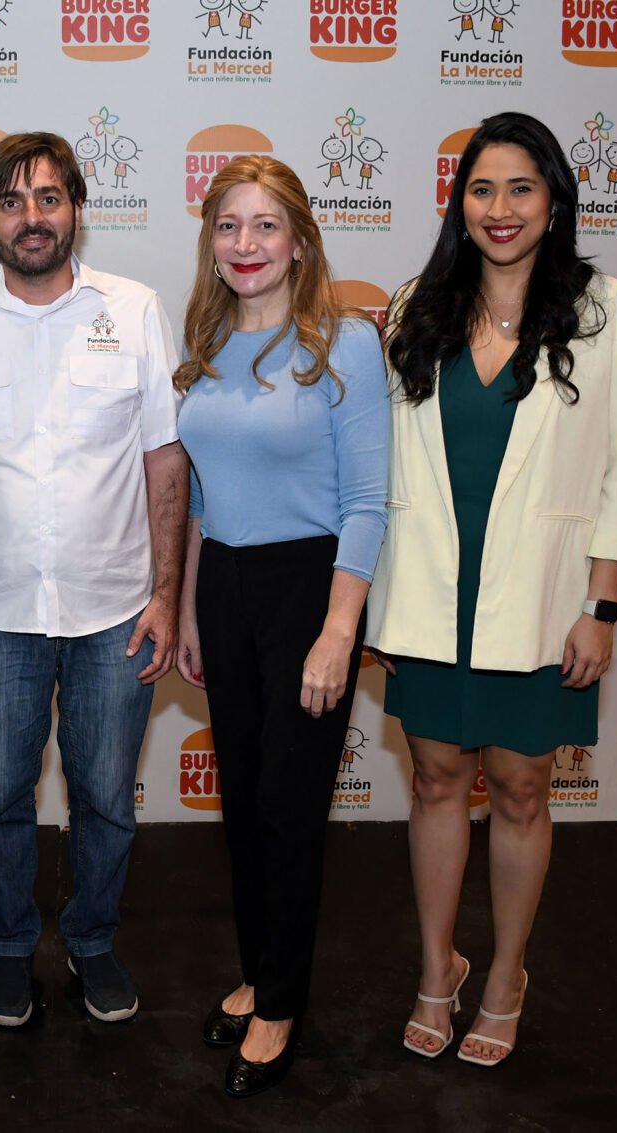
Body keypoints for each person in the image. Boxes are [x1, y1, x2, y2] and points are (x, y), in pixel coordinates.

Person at [365, 112, 617, 1067]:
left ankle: (504, 976)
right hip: (430, 595)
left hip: (542, 599)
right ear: (460, 204)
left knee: (524, 789)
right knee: (437, 780)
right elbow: (390, 465)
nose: (500, 208)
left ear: (554, 200)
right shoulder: (416, 307)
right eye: (481, 189)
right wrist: (376, 598)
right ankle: (435, 969)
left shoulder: (607, 310)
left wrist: (601, 608)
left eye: (521, 188)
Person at [0, 131, 186, 1028]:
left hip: (116, 610)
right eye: (11, 201)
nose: (31, 218)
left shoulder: (134, 309)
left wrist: (167, 593)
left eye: (49, 198)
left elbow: (165, 459)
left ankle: (94, 940)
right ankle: (9, 945)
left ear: (76, 208)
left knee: (106, 799)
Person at [174, 155, 389, 1097]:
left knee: (290, 808)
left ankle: (281, 1004)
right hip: (223, 585)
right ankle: (262, 969)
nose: (246, 243)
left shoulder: (345, 343)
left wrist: (340, 630)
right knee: (245, 805)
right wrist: (190, 604)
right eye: (229, 225)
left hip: (311, 587)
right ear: (211, 242)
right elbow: (199, 498)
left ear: (299, 240)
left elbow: (368, 502)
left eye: (266, 225)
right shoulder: (206, 344)